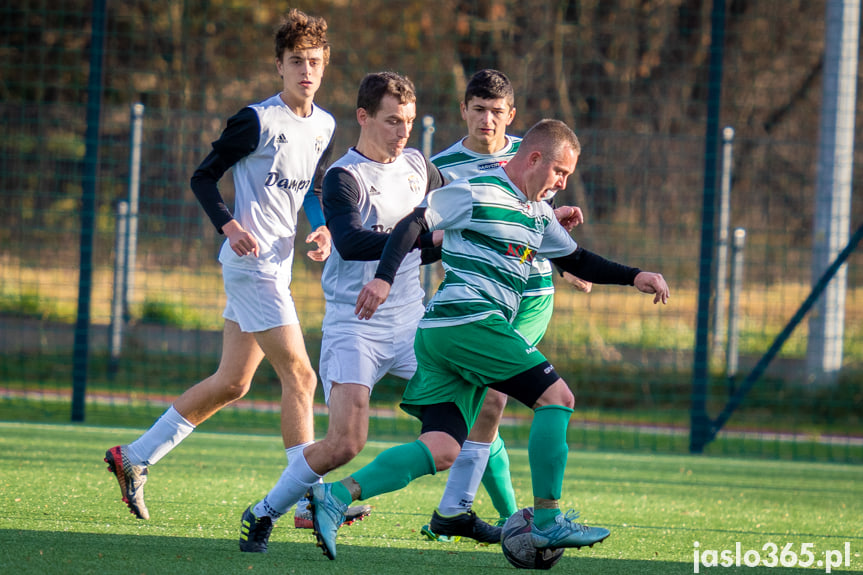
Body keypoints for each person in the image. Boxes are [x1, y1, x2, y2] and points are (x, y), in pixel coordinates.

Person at [305, 119, 670, 560]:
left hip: (442, 335)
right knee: (558, 398)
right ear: (534, 158)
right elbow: (412, 225)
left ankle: (336, 497)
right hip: (468, 322)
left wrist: (636, 276)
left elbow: (578, 259)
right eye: (560, 172)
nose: (562, 183)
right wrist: (383, 279)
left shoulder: (536, 213)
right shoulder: (476, 189)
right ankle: (549, 521)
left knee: (441, 449)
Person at [104, 8, 336, 523]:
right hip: (249, 265)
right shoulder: (257, 119)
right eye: (296, 60)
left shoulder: (325, 125)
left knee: (234, 382)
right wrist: (229, 226)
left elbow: (313, 187)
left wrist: (319, 225)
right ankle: (302, 498)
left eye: (314, 62)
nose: (305, 70)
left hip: (277, 266)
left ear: (324, 67)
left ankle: (134, 457)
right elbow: (203, 177)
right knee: (301, 376)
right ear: (279, 65)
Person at [237, 71, 461, 552]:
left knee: (472, 415)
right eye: (391, 122)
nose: (402, 133)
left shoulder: (420, 166)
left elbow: (456, 224)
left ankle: (487, 514)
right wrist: (422, 240)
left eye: (409, 122)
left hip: (410, 324)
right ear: (363, 117)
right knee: (346, 442)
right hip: (354, 324)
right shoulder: (343, 176)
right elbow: (356, 241)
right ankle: (263, 512)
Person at [422, 69, 592, 543]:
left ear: (511, 115)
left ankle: (466, 511)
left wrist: (566, 263)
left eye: (497, 111)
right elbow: (433, 233)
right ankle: (504, 517)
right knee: (481, 400)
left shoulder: (532, 152)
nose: (488, 120)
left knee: (495, 395)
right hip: (476, 297)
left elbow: (535, 225)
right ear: (464, 110)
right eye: (478, 109)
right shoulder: (443, 166)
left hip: (530, 293)